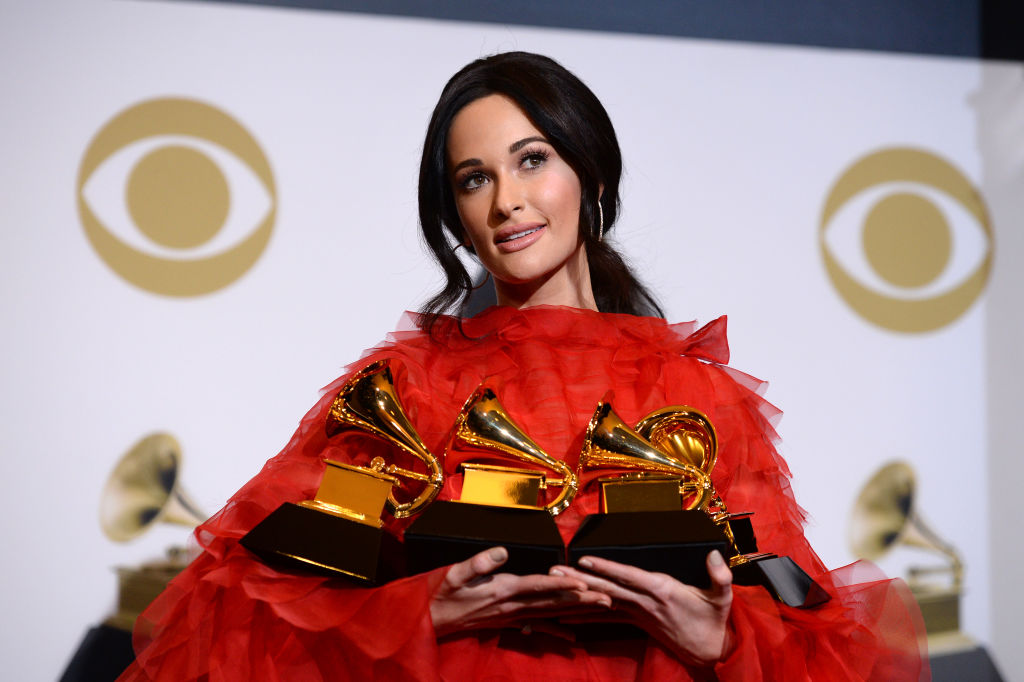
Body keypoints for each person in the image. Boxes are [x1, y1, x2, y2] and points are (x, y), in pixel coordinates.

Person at [118, 52, 929, 681]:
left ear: (592, 173)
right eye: (476, 179)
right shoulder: (401, 397)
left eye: (533, 159)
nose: (507, 198)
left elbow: (807, 630)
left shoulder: (695, 399)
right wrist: (417, 614)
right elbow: (253, 606)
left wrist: (720, 636)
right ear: (455, 215)